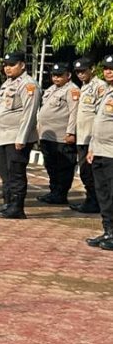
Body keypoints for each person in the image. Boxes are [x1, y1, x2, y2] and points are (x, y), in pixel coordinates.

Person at [0, 52, 41, 220]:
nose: (7, 68)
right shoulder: (7, 84)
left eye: (11, 65)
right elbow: (1, 111)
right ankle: (8, 202)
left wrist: (22, 138)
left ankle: (17, 207)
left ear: (22, 65)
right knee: (4, 170)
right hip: (3, 136)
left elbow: (29, 113)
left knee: (16, 173)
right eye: (5, 65)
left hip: (16, 137)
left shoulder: (28, 85)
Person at [36, 62, 79, 205]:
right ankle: (54, 191)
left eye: (60, 75)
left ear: (68, 75)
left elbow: (74, 113)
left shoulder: (72, 90)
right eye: (54, 75)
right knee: (51, 166)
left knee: (63, 168)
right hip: (47, 136)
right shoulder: (52, 89)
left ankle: (61, 194)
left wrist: (71, 132)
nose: (56, 78)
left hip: (62, 137)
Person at [69, 57, 105, 214]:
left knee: (89, 172)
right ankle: (91, 199)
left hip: (92, 138)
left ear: (92, 69)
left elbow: (100, 114)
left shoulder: (100, 86)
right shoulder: (84, 87)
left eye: (83, 71)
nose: (80, 74)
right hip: (82, 136)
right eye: (77, 72)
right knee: (84, 171)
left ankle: (95, 201)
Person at [85, 56, 113, 249]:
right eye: (106, 69)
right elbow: (99, 123)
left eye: (112, 68)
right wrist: (92, 147)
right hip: (100, 150)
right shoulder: (108, 92)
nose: (108, 72)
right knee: (103, 194)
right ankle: (108, 230)